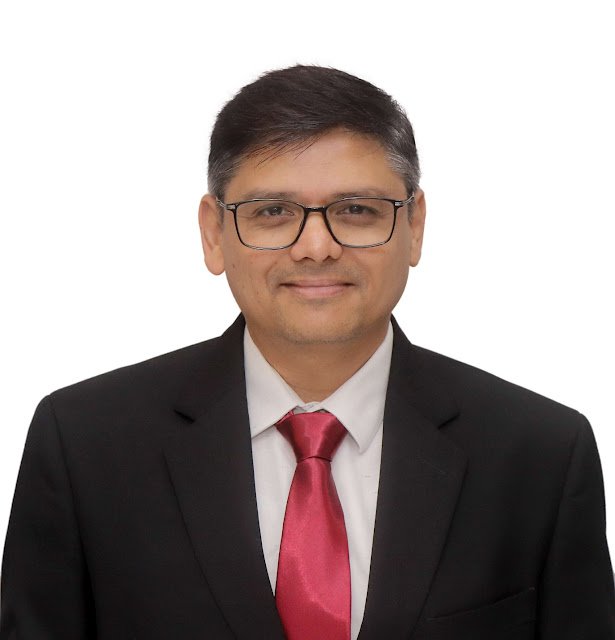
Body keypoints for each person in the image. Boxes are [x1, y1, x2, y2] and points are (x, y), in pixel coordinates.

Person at [1, 65, 614, 640]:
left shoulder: (541, 454)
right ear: (214, 234)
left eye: (356, 210)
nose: (316, 247)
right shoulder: (83, 444)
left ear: (414, 226)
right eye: (273, 212)